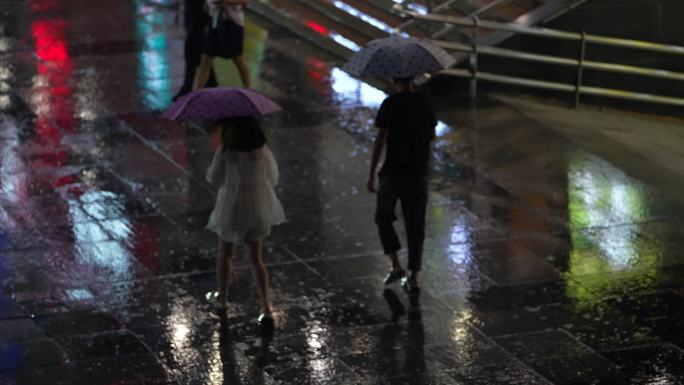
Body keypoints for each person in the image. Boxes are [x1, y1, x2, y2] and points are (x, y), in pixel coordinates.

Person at [206, 116, 285, 326]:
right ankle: (266, 307)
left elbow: (214, 178)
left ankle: (222, 299)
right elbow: (273, 177)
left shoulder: (226, 152)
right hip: (257, 206)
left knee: (226, 252)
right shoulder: (261, 151)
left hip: (231, 206)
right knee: (256, 258)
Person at [367, 77, 437, 294]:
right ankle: (414, 276)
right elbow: (432, 135)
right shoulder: (424, 103)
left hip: (393, 171)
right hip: (417, 171)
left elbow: (380, 140)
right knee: (415, 224)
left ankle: (396, 264)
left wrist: (371, 174)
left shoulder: (390, 104)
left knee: (383, 216)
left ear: (394, 79)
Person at [193, 0, 250, 90]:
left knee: (237, 57)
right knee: (206, 57)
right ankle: (196, 92)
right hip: (215, 21)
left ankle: (248, 89)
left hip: (233, 23)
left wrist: (226, 1)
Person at [173, 0, 218, 101]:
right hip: (191, 6)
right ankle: (211, 82)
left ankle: (188, 87)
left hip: (201, 7)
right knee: (197, 48)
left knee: (191, 48)